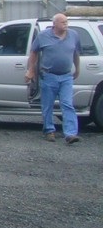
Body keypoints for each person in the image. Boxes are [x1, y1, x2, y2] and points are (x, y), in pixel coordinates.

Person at [25, 13, 81, 143]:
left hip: (66, 76)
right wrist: (31, 70)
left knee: (67, 104)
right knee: (48, 105)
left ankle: (70, 134)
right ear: (54, 24)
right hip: (49, 75)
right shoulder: (43, 36)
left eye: (66, 22)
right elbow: (34, 53)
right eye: (62, 22)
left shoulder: (74, 35)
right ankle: (49, 130)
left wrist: (77, 68)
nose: (65, 24)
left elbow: (76, 53)